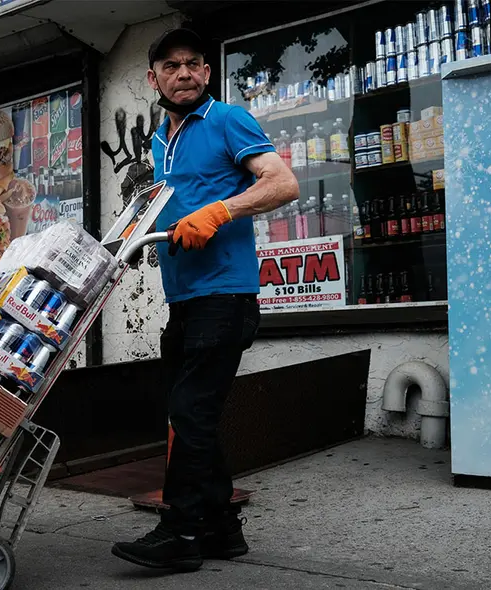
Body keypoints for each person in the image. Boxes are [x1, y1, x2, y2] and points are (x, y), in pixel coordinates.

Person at [111, 28, 300, 572]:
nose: (184, 73)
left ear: (208, 72)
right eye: (171, 66)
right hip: (185, 297)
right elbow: (171, 209)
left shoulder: (227, 120)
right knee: (190, 415)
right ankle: (222, 530)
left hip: (227, 294)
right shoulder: (159, 140)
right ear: (154, 79)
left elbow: (282, 183)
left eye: (194, 63)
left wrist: (221, 211)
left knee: (189, 413)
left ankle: (180, 533)